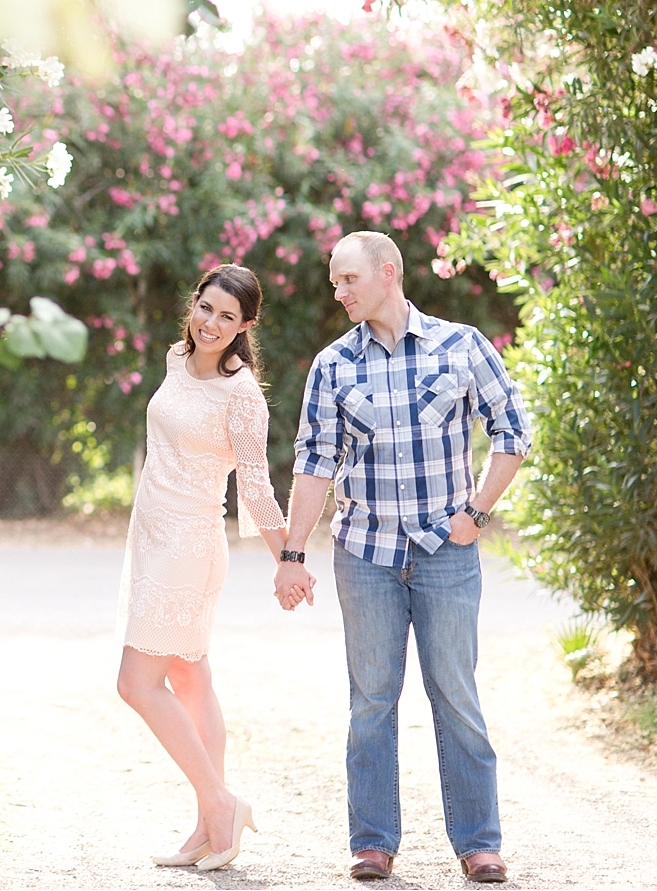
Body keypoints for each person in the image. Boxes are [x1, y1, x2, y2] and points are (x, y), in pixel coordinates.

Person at [272, 231, 530, 885]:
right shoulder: (332, 365)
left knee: (457, 696)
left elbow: (512, 431)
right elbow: (314, 461)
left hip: (448, 554)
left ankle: (479, 843)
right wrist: (292, 552)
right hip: (365, 556)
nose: (339, 292)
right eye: (335, 282)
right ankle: (373, 843)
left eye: (348, 279)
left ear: (388, 272)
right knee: (371, 703)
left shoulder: (462, 344)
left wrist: (477, 513)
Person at [115, 264, 300, 871]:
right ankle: (206, 827)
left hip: (189, 547)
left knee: (136, 684)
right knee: (191, 681)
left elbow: (255, 485)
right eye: (206, 308)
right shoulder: (177, 359)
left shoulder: (242, 395)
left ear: (246, 325)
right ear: (193, 304)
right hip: (151, 534)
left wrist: (288, 561)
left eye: (228, 317)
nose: (212, 324)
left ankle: (221, 805)